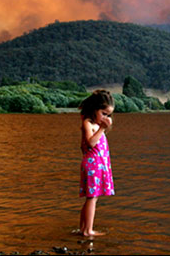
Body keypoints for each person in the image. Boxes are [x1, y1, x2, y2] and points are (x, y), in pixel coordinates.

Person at [76, 90, 115, 237]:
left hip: (98, 165)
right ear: (94, 110)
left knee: (92, 198)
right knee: (92, 198)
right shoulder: (88, 123)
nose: (106, 117)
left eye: (108, 115)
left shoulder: (96, 125)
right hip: (93, 166)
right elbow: (91, 143)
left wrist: (104, 127)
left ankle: (82, 229)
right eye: (104, 113)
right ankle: (87, 230)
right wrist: (103, 128)